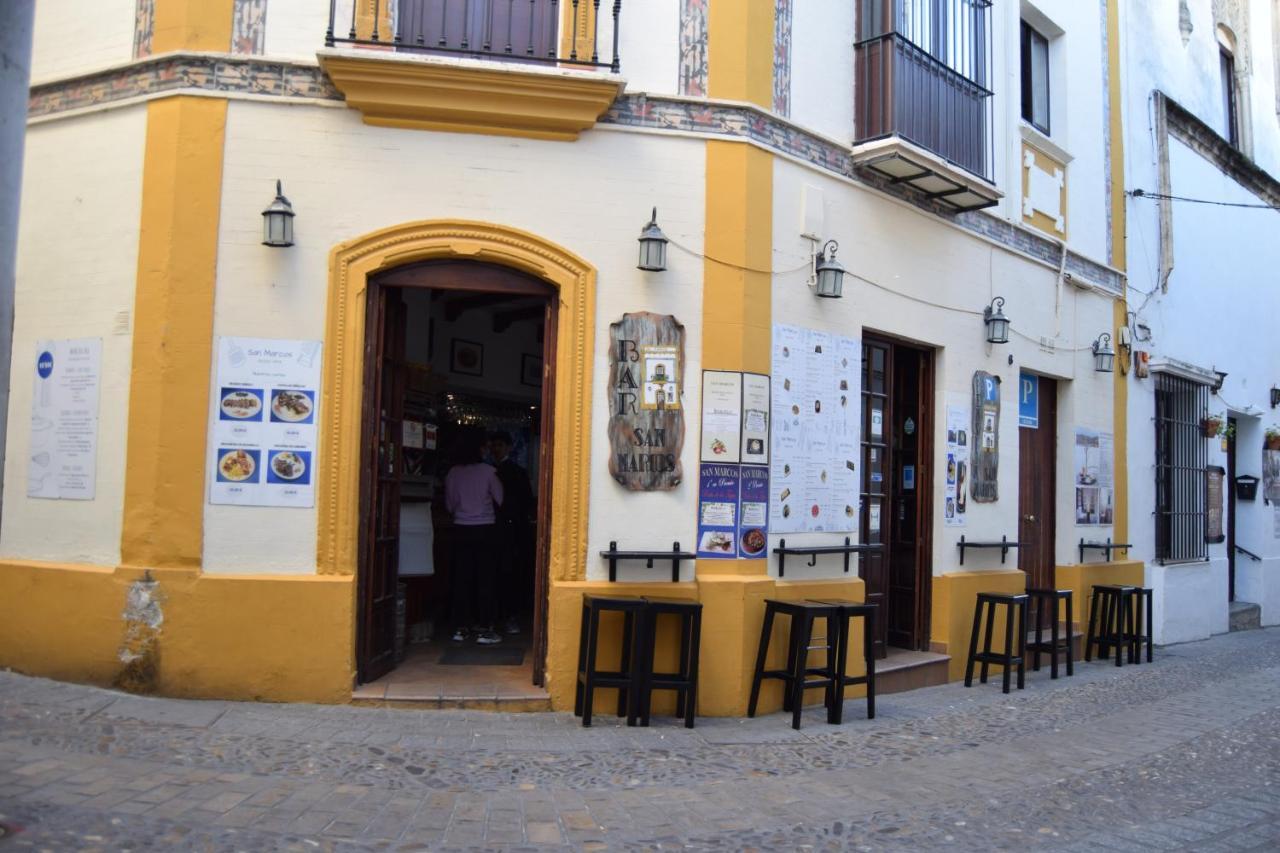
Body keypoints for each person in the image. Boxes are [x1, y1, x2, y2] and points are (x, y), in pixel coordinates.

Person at [444, 431, 504, 645]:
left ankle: (461, 627)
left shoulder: (453, 473)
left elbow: (449, 505)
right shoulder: (489, 472)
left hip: (461, 530)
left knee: (462, 579)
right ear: (479, 449)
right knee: (486, 579)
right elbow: (500, 500)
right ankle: (486, 628)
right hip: (485, 530)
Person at [489, 431, 534, 635]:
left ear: (508, 447)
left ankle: (510, 616)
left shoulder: (517, 472)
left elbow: (524, 503)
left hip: (511, 531)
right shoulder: (487, 470)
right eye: (493, 445)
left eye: (499, 445)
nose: (496, 449)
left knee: (510, 574)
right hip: (491, 528)